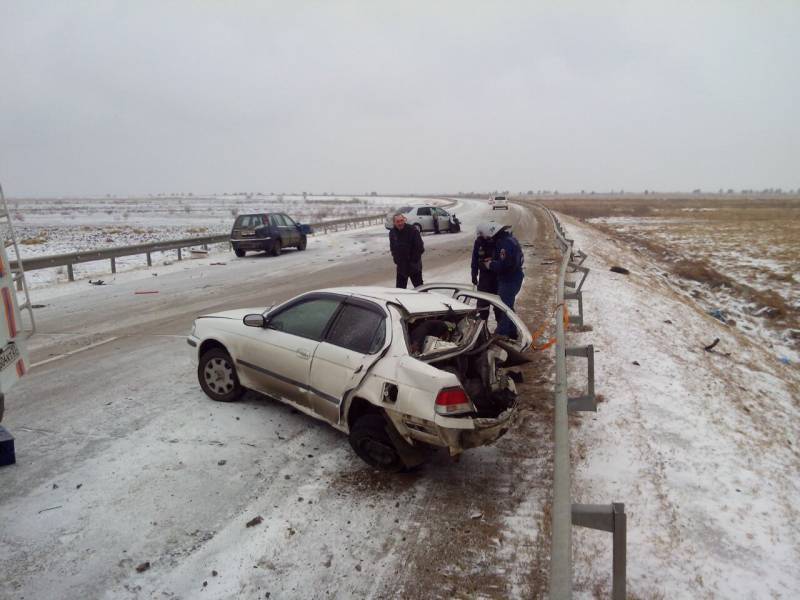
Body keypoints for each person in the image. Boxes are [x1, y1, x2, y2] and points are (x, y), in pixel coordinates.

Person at [480, 222, 524, 338]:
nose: (487, 239)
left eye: (487, 236)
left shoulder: (504, 244)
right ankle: (512, 332)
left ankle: (501, 334)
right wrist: (494, 259)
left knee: (504, 308)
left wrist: (491, 264)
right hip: (513, 278)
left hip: (509, 280)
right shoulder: (509, 239)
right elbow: (511, 260)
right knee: (508, 306)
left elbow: (506, 264)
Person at [471, 225, 499, 321]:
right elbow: (474, 259)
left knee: (499, 306)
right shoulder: (478, 242)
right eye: (480, 235)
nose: (482, 236)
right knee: (482, 306)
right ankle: (481, 330)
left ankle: (502, 331)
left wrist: (492, 260)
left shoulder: (496, 241)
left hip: (496, 278)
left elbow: (502, 260)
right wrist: (473, 274)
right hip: (484, 279)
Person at [389, 212, 425, 288]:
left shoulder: (412, 230)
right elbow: (392, 247)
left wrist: (413, 260)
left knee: (420, 289)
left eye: (402, 220)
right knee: (400, 291)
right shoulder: (392, 233)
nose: (400, 223)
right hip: (401, 267)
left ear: (404, 220)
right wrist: (396, 259)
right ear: (394, 223)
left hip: (414, 266)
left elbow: (420, 247)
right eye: (398, 221)